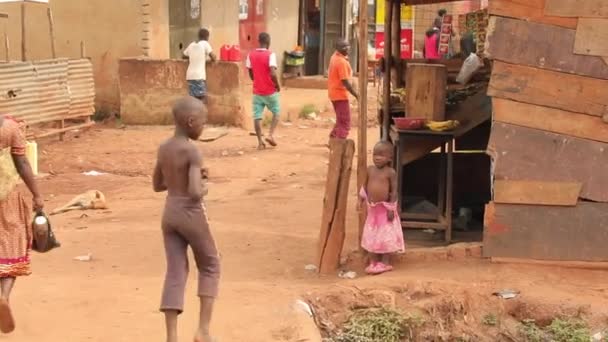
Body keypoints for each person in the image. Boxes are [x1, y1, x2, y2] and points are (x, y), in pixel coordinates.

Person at [153, 97, 220, 342]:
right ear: (191, 121)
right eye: (203, 122)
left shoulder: (164, 147)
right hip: (190, 212)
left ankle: (172, 337)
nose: (204, 127)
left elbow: (157, 184)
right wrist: (205, 185)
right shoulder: (192, 150)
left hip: (169, 212)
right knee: (211, 264)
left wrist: (180, 178)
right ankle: (203, 330)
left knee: (175, 271)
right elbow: (194, 192)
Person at [0, 114, 44, 333]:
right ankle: (3, 297)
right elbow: (22, 162)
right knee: (12, 249)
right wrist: (37, 195)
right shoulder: (10, 127)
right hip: (7, 198)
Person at [358, 141, 405, 275]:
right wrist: (360, 199)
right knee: (372, 235)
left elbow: (394, 191)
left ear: (390, 158)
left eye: (382, 155)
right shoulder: (370, 170)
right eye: (375, 154)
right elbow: (365, 186)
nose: (377, 157)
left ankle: (385, 262)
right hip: (373, 210)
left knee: (385, 236)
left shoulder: (390, 172)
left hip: (385, 210)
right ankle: (373, 261)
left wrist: (391, 208)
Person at [246, 32, 281, 150]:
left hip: (257, 92)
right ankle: (270, 135)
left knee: (257, 117)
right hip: (270, 91)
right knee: (276, 112)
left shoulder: (251, 54)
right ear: (268, 42)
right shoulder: (270, 55)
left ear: (258, 41)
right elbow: (272, 73)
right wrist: (277, 85)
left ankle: (260, 142)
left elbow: (250, 72)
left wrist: (255, 80)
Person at [328, 38, 358, 139]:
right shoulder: (341, 62)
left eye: (348, 47)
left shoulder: (335, 56)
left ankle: (333, 138)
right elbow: (345, 81)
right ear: (338, 49)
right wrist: (356, 94)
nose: (347, 49)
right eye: (344, 48)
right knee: (345, 122)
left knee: (340, 120)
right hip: (340, 95)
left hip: (334, 93)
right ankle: (339, 143)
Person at [183, 28, 217, 103]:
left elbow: (183, 55)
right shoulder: (205, 44)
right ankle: (199, 114)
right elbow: (213, 57)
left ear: (198, 36)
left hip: (190, 76)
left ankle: (192, 113)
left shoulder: (191, 45)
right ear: (207, 37)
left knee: (193, 98)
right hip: (199, 76)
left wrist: (193, 56)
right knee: (201, 98)